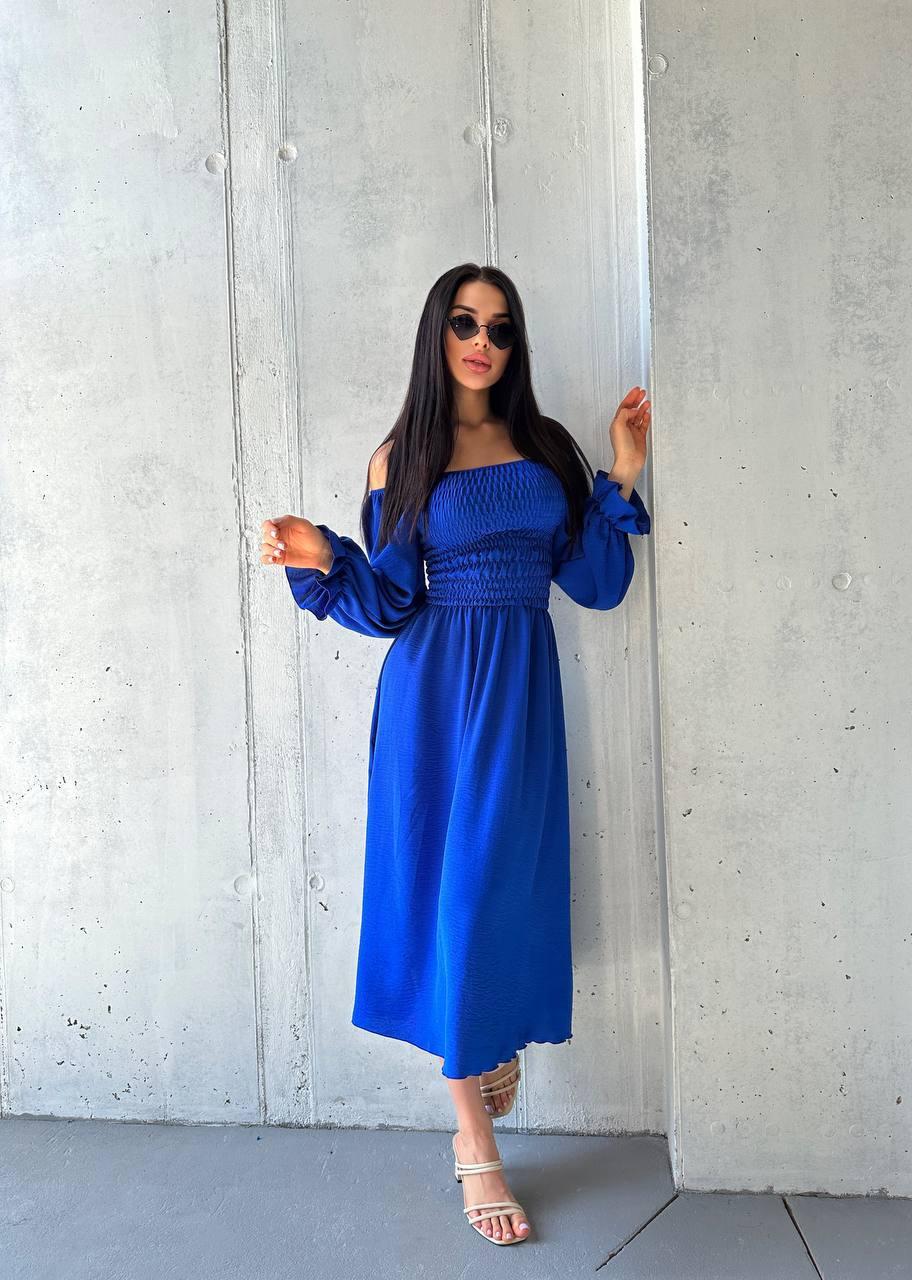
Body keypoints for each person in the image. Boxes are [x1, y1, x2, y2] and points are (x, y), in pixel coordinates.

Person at [260, 263, 651, 1246]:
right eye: (466, 323)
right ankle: (474, 1135)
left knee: (500, 884)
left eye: (501, 328)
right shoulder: (403, 456)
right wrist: (324, 558)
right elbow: (393, 601)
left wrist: (621, 475)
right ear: (437, 332)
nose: (483, 342)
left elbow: (596, 584)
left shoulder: (545, 445)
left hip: (520, 690)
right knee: (454, 892)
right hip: (436, 694)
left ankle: (482, 1033)